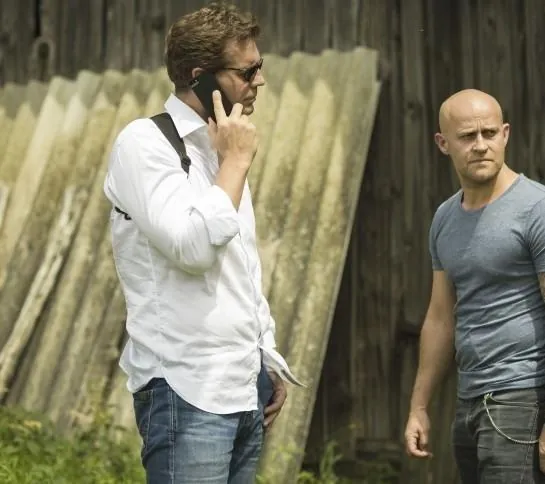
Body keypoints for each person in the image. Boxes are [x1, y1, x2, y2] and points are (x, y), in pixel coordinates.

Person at [103, 3, 301, 483]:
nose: (259, 81)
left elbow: (241, 268)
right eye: (247, 71)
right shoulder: (145, 144)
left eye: (260, 66)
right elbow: (192, 251)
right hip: (186, 390)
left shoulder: (220, 146)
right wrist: (235, 163)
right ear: (201, 77)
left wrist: (265, 357)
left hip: (244, 387)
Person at [403, 88, 545, 483]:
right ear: (443, 143)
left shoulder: (536, 209)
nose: (481, 145)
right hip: (469, 401)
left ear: (505, 134)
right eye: (467, 136)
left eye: (489, 133)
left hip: (523, 396)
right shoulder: (445, 218)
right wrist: (419, 407)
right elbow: (440, 318)